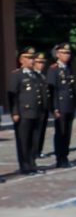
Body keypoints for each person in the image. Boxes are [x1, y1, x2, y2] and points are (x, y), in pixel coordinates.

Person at [6, 46, 46, 175]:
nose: (31, 60)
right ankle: (25, 166)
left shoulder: (36, 75)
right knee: (23, 140)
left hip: (36, 112)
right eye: (28, 58)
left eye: (32, 58)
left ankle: (32, 164)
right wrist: (15, 112)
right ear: (21, 60)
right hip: (23, 113)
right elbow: (12, 95)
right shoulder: (17, 75)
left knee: (34, 140)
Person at [47, 42, 76, 168]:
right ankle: (60, 158)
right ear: (58, 54)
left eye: (68, 53)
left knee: (67, 133)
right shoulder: (53, 69)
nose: (67, 55)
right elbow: (52, 91)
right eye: (64, 53)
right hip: (60, 106)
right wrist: (54, 108)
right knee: (61, 132)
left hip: (69, 105)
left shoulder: (68, 68)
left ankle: (65, 156)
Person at [31, 51, 50, 160]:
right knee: (35, 131)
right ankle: (34, 151)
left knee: (42, 130)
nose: (41, 64)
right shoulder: (33, 75)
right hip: (35, 108)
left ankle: (39, 150)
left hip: (44, 107)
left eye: (42, 62)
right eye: (38, 62)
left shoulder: (42, 75)